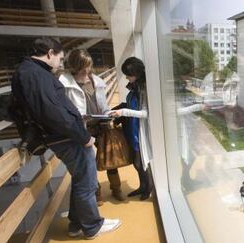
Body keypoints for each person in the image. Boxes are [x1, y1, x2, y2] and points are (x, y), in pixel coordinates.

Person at [11, 37, 120, 239]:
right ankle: (92, 226)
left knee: (81, 180)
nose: (60, 64)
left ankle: (76, 224)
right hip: (67, 137)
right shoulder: (36, 75)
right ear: (50, 53)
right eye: (60, 59)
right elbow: (53, 112)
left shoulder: (29, 72)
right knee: (87, 183)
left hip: (62, 136)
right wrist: (83, 136)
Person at [59, 49, 124, 206]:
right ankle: (97, 193)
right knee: (89, 162)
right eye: (83, 66)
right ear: (75, 65)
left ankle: (116, 188)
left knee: (110, 157)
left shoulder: (95, 81)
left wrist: (108, 113)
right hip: (83, 128)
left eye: (88, 66)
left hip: (101, 123)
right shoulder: (65, 83)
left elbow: (102, 103)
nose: (86, 70)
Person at [111, 57, 153, 201]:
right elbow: (130, 104)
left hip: (139, 129)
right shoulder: (135, 86)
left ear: (137, 73)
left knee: (140, 161)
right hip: (131, 127)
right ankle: (143, 186)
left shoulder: (145, 89)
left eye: (129, 75)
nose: (127, 78)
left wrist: (123, 112)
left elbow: (146, 113)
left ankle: (148, 187)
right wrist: (120, 108)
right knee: (136, 161)